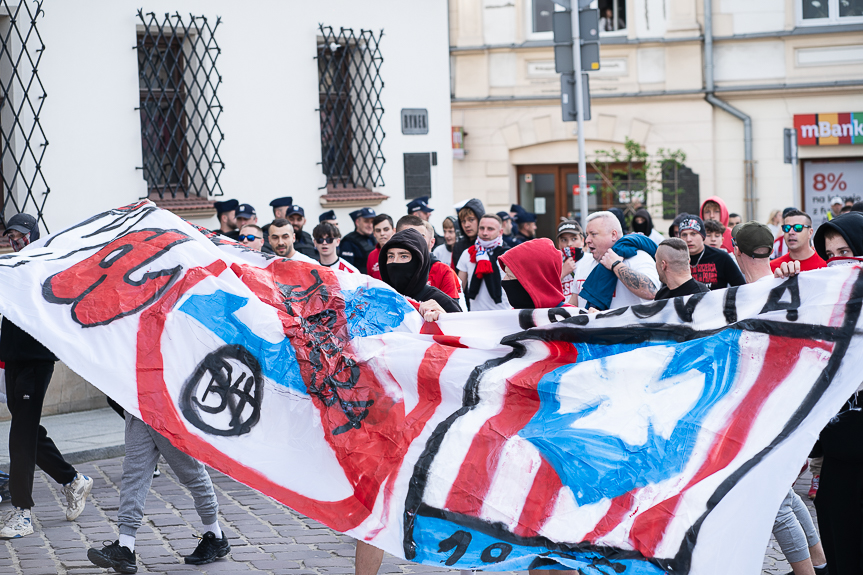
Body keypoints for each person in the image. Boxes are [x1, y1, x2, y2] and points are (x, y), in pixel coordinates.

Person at [730, 221, 829, 575]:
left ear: (737, 252)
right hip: (786, 406)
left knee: (771, 499)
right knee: (783, 493)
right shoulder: (785, 287)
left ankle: (808, 572)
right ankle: (819, 562)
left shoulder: (750, 297)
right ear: (770, 249)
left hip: (763, 411)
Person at [0, 213, 93, 539]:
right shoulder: (11, 266)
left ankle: (22, 512)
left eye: (20, 234)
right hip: (12, 358)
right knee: (29, 431)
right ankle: (72, 481)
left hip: (37, 361)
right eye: (10, 235)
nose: (15, 239)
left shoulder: (45, 265)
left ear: (34, 234)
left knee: (20, 435)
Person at [87, 413, 231, 573]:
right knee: (133, 474)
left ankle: (215, 535)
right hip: (136, 406)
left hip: (165, 407)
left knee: (190, 470)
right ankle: (125, 546)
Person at [809, 212, 863, 575]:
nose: (838, 262)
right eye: (830, 256)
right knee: (839, 537)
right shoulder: (826, 299)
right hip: (839, 452)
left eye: (847, 251)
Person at [571, 211, 660, 310]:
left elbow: (651, 292)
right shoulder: (584, 263)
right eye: (587, 234)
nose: (587, 240)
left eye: (593, 234)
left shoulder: (638, 257)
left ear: (613, 235)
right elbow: (574, 305)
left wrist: (616, 265)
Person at [379, 229, 461, 313]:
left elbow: (462, 324)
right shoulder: (380, 298)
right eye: (391, 256)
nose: (395, 262)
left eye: (404, 256)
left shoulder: (441, 302)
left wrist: (442, 317)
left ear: (418, 262)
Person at [396, 215, 462, 304]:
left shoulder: (443, 271)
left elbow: (453, 312)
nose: (415, 241)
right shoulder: (390, 267)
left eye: (420, 237)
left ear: (431, 242)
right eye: (408, 237)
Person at [455, 214, 511, 311]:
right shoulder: (468, 253)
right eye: (482, 228)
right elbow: (458, 289)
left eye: (490, 229)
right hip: (476, 316)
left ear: (500, 232)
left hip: (504, 314)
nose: (485, 233)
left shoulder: (509, 255)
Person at [498, 238, 574, 309]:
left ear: (532, 281)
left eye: (509, 276)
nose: (504, 280)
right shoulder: (510, 317)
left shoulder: (574, 318)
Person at [678, 216, 745, 290]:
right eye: (684, 235)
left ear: (703, 236)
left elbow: (741, 288)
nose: (688, 239)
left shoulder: (722, 257)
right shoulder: (674, 260)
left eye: (693, 234)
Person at [770, 210, 825, 276]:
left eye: (798, 228)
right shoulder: (773, 268)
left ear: (810, 233)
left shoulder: (827, 265)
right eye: (786, 228)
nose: (790, 232)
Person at [451, 199, 485, 274]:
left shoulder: (489, 244)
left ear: (480, 220)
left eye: (471, 220)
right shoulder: (458, 246)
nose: (466, 225)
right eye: (463, 221)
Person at [339, 208, 377, 274]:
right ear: (357, 222)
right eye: (366, 221)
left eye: (372, 222)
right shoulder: (348, 242)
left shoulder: (375, 238)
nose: (370, 225)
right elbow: (346, 270)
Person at [557, 220, 585, 304]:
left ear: (582, 241)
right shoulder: (553, 264)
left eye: (574, 239)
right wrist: (562, 273)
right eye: (564, 240)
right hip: (560, 313)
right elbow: (544, 292)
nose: (569, 244)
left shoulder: (592, 261)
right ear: (558, 244)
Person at [367, 214, 394, 280]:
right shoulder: (371, 255)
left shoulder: (402, 253)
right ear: (374, 233)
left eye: (386, 229)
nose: (382, 233)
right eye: (378, 230)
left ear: (394, 231)